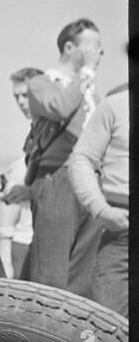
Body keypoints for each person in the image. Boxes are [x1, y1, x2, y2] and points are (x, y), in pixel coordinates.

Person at [21, 19, 105, 295]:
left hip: (92, 181)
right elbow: (59, 107)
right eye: (91, 45)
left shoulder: (88, 89)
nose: (98, 52)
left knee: (82, 275)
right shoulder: (41, 83)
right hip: (60, 178)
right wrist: (87, 72)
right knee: (51, 274)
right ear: (69, 47)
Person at [67, 58, 129, 316]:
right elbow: (81, 159)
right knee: (107, 326)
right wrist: (101, 210)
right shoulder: (115, 105)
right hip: (122, 228)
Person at [0, 67, 42, 278]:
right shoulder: (32, 137)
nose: (21, 102)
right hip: (25, 240)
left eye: (26, 95)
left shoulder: (55, 133)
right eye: (17, 97)